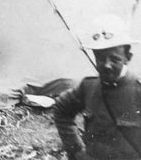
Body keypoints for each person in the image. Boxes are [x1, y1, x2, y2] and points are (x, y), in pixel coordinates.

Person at [53, 14, 141, 160]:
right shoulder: (89, 87)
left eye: (114, 59)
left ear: (128, 57)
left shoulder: (137, 90)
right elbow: (61, 109)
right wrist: (76, 150)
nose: (106, 65)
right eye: (100, 57)